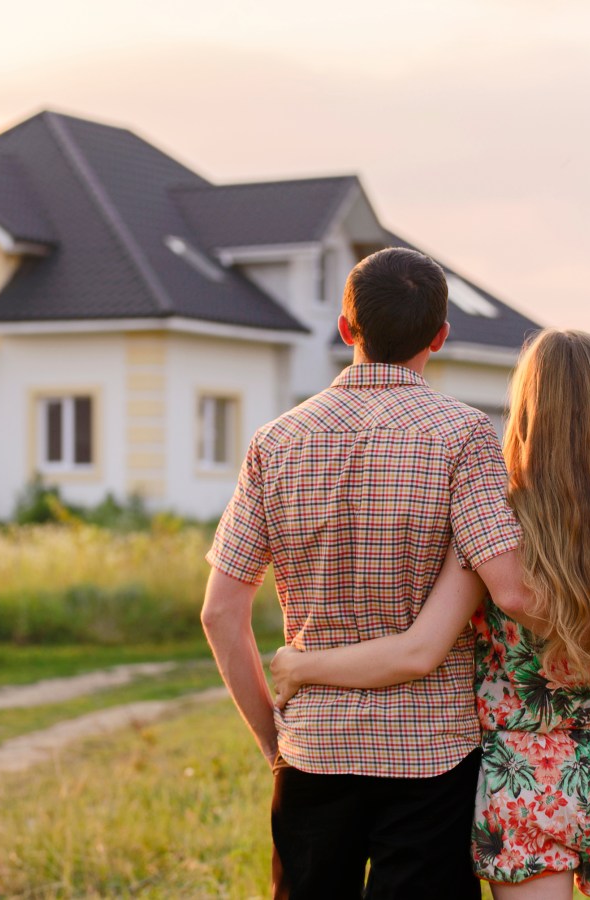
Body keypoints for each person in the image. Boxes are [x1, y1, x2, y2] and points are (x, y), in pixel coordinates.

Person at [271, 329, 590, 899]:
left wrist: (302, 666)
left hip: (522, 778)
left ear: (525, 410)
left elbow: (417, 650)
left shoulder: (492, 525)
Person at [202, 247, 533, 897]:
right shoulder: (464, 436)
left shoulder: (275, 441)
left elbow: (219, 613)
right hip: (431, 756)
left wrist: (275, 740)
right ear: (440, 336)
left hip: (313, 749)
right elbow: (513, 589)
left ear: (346, 328)